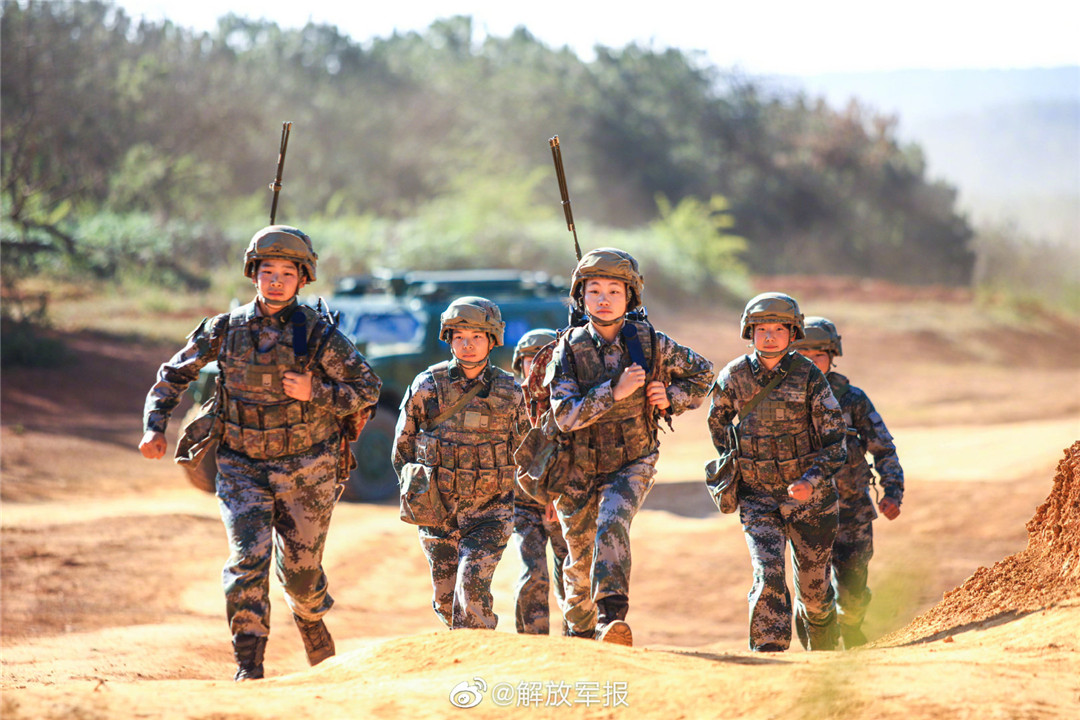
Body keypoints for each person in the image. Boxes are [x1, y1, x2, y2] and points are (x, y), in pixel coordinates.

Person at [139, 225, 382, 681]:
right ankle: (249, 666)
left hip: (307, 470)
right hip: (240, 466)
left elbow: (368, 388)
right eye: (266, 270)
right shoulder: (224, 329)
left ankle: (310, 620)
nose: (275, 280)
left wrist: (317, 391)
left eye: (286, 273)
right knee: (246, 560)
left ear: (302, 278)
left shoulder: (317, 334)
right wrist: (154, 427)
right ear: (253, 274)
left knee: (302, 577)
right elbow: (173, 375)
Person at [544, 248, 715, 646]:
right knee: (578, 562)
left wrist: (669, 396)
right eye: (594, 291)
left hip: (632, 461)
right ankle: (582, 633)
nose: (603, 299)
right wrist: (614, 392)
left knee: (612, 521)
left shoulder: (649, 342)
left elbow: (703, 376)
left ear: (630, 297)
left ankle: (611, 618)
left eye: (614, 291)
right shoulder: (567, 350)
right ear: (581, 297)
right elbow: (565, 416)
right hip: (577, 469)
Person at [707, 292, 847, 652]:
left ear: (792, 332)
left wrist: (809, 481)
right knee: (768, 576)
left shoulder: (809, 376)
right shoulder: (733, 376)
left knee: (815, 596)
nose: (769, 336)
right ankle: (769, 659)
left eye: (778, 329)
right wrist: (738, 465)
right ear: (749, 332)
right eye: (762, 329)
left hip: (811, 503)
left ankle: (826, 658)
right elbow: (718, 426)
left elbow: (836, 444)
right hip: (758, 500)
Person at [393, 296, 527, 630]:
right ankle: (461, 660)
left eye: (476, 337)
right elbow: (403, 446)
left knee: (471, 591)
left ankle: (477, 669)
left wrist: (542, 494)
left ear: (492, 340)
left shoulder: (510, 391)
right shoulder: (427, 386)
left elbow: (527, 447)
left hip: (490, 512)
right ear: (449, 339)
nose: (467, 345)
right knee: (445, 599)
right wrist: (416, 492)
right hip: (437, 512)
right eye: (459, 337)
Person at [794, 316, 904, 648]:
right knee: (813, 593)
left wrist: (893, 491)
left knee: (854, 590)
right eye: (803, 356)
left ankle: (853, 628)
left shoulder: (853, 399)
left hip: (853, 511)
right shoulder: (787, 402)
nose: (812, 363)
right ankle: (820, 651)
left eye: (819, 356)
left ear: (832, 356)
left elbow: (883, 447)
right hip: (807, 514)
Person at [509, 328, 570, 635]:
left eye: (543, 359)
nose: (536, 366)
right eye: (529, 359)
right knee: (534, 574)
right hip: (523, 506)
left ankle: (580, 643)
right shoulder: (507, 402)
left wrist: (556, 498)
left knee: (574, 576)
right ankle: (533, 645)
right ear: (519, 364)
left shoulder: (569, 402)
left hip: (566, 504)